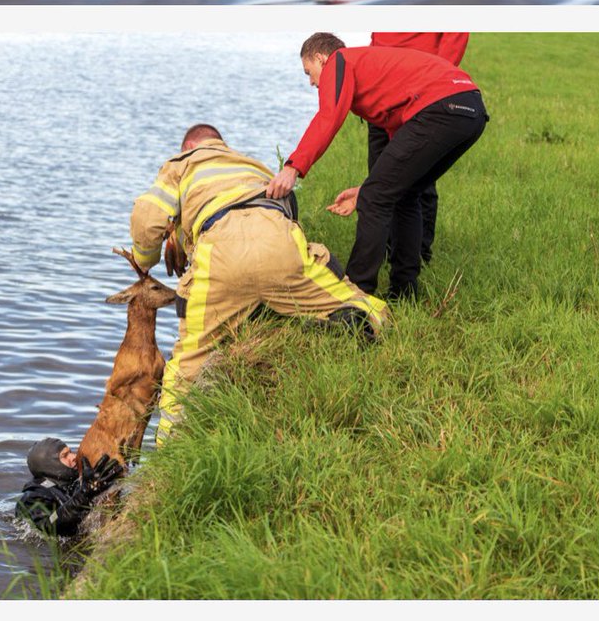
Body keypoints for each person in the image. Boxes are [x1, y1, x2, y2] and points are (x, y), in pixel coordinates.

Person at [129, 123, 390, 441]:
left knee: (187, 361)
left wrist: (144, 262)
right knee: (343, 289)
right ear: (221, 145)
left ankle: (168, 445)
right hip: (277, 242)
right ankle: (369, 320)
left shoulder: (181, 164)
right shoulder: (250, 164)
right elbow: (289, 209)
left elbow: (147, 218)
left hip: (221, 254)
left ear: (189, 147)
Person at [266, 33, 488, 301]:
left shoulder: (340, 61)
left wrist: (292, 168)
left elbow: (328, 117)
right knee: (404, 194)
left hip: (441, 108)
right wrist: (366, 188)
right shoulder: (374, 74)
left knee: (375, 200)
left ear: (320, 58)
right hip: (469, 109)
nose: (312, 82)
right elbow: (400, 150)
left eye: (309, 73)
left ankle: (356, 295)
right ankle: (404, 293)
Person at [366, 33, 470, 264]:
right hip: (382, 92)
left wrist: (433, 83)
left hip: (421, 92)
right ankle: (385, 248)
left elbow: (456, 34)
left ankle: (418, 253)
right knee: (380, 175)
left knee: (416, 178)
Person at [15, 438, 120, 537]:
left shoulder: (71, 485)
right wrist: (84, 495)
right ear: (50, 465)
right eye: (65, 455)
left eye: (71, 452)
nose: (74, 456)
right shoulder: (33, 497)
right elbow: (48, 525)